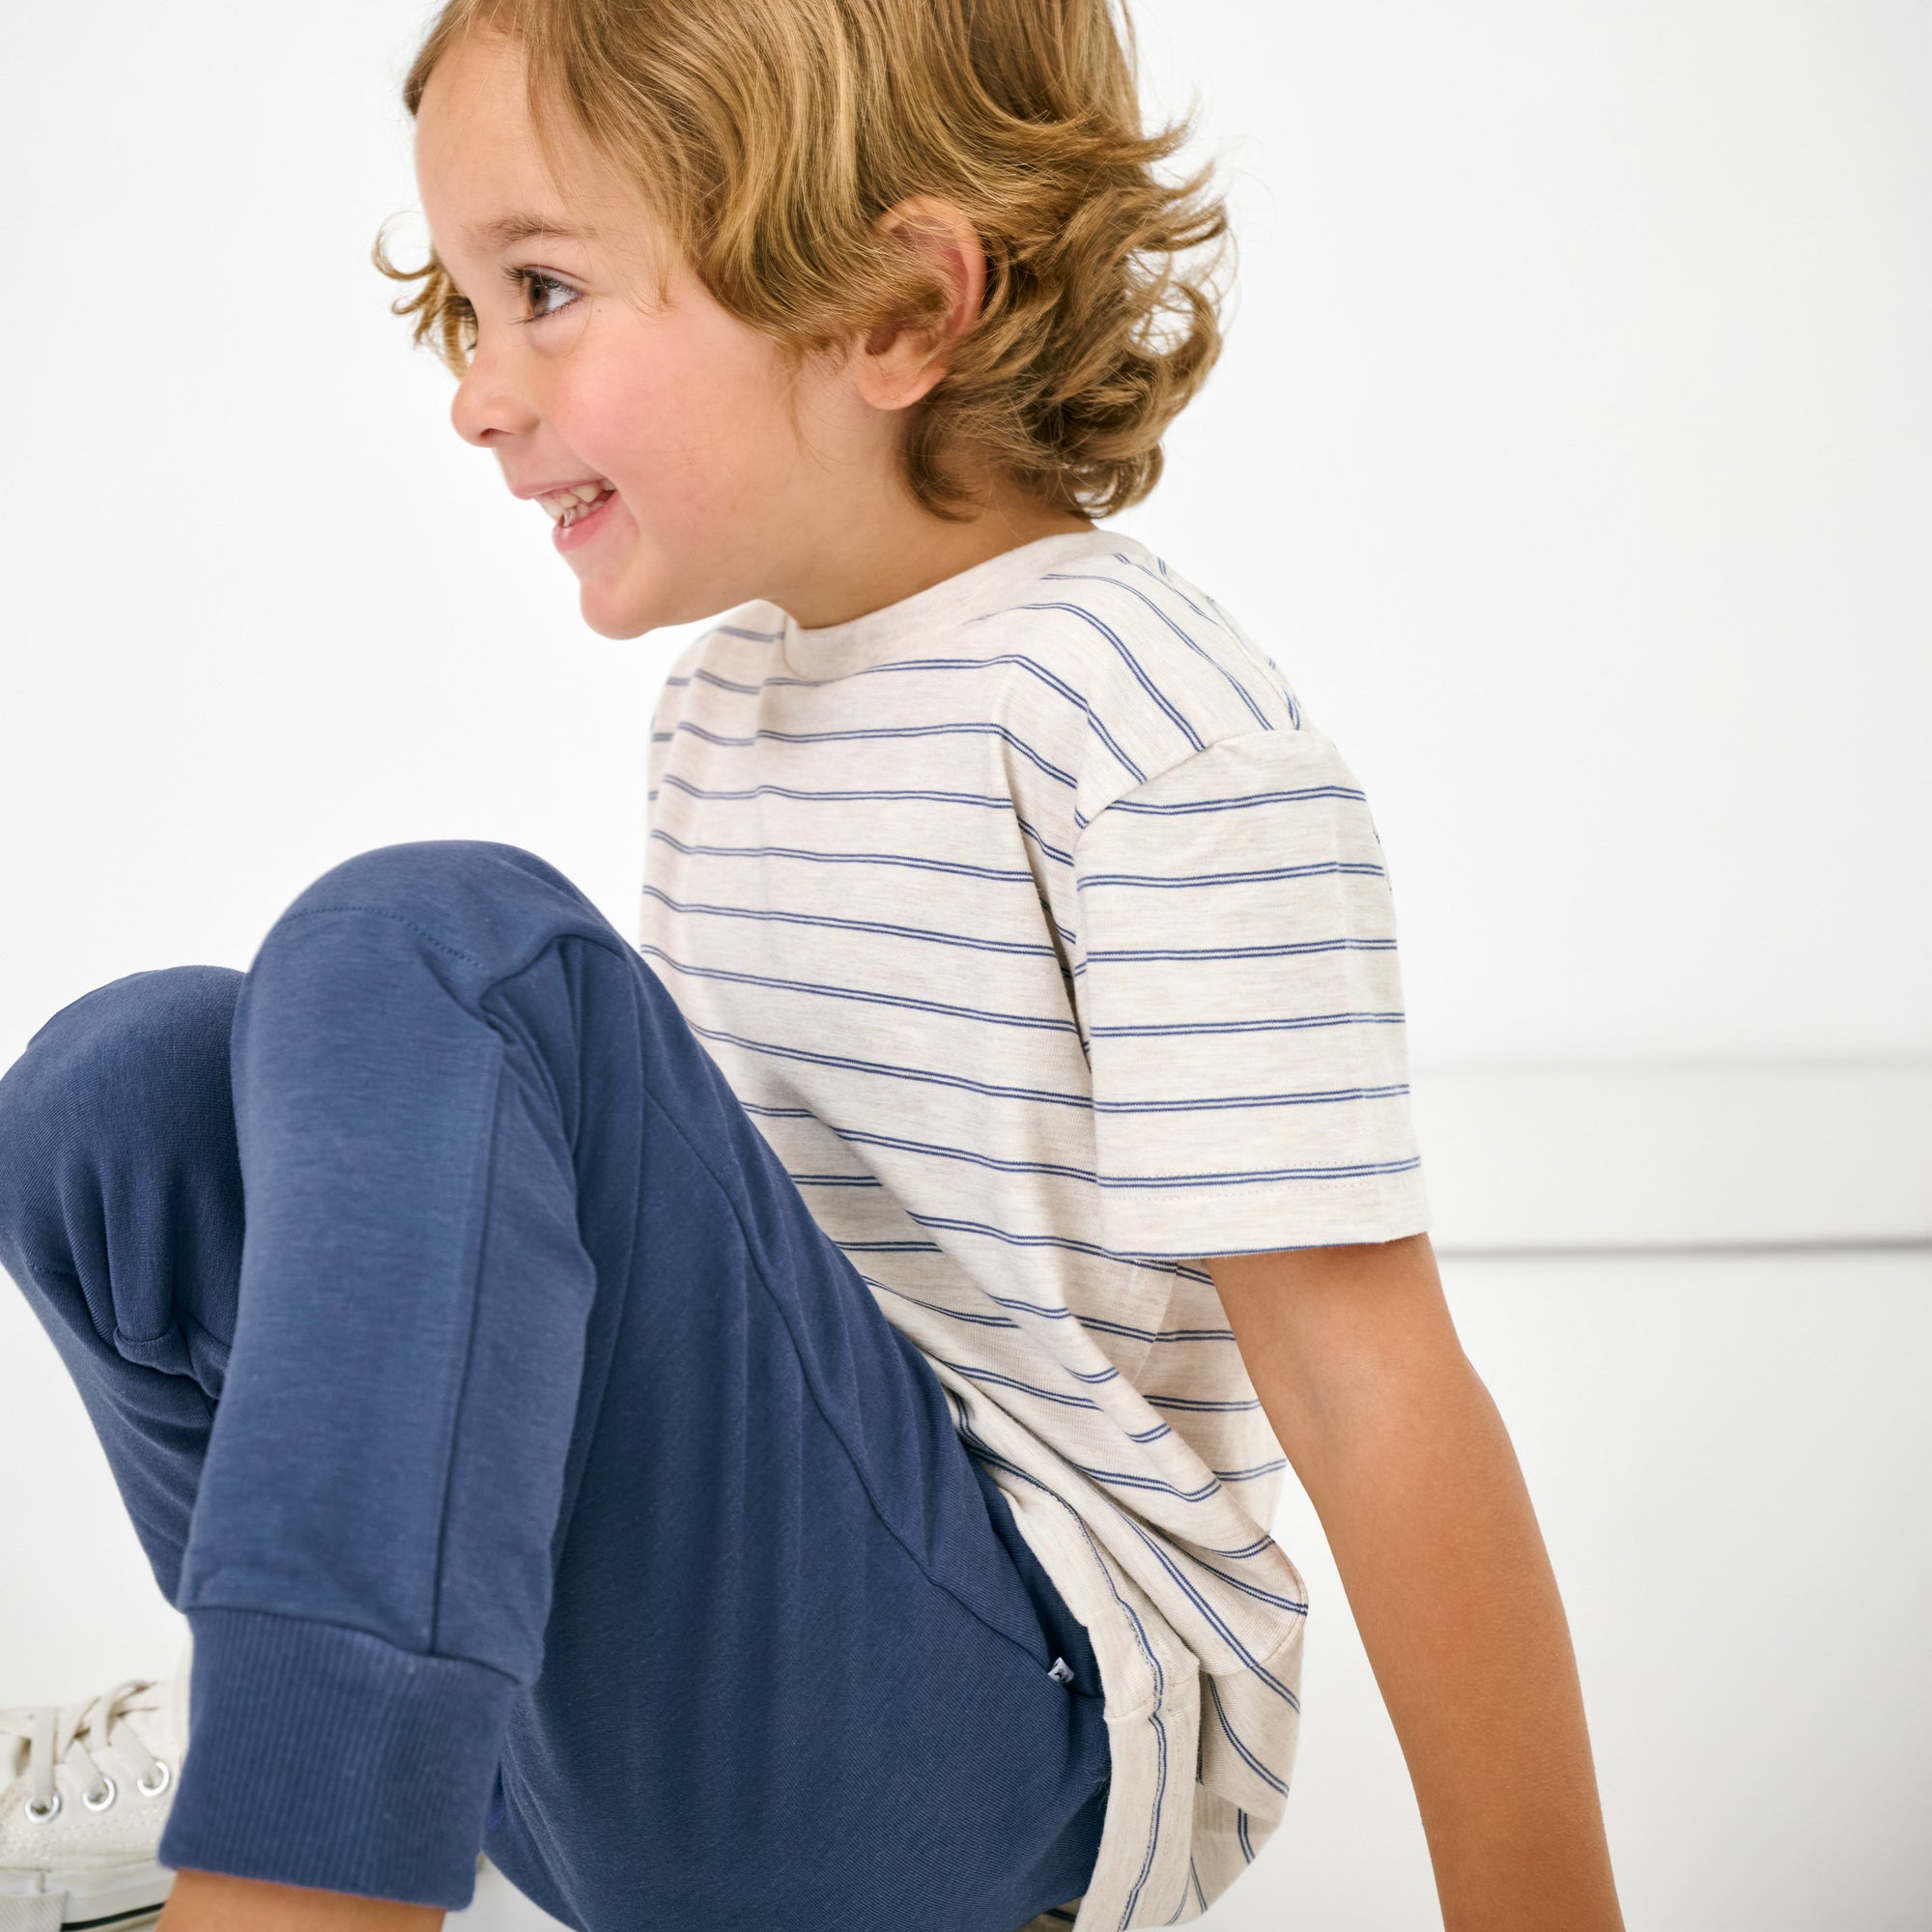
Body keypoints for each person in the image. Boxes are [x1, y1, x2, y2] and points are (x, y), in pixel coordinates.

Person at [0, 1, 1626, 1928]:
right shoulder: (728, 703)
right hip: (677, 1736)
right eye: (463, 310)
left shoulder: (1144, 724)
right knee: (120, 1091)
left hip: (994, 1745)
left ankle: (296, 1867)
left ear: (895, 309)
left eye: (544, 291)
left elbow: (1370, 1379)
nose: (477, 394)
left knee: (425, 940)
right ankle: (307, 1727)